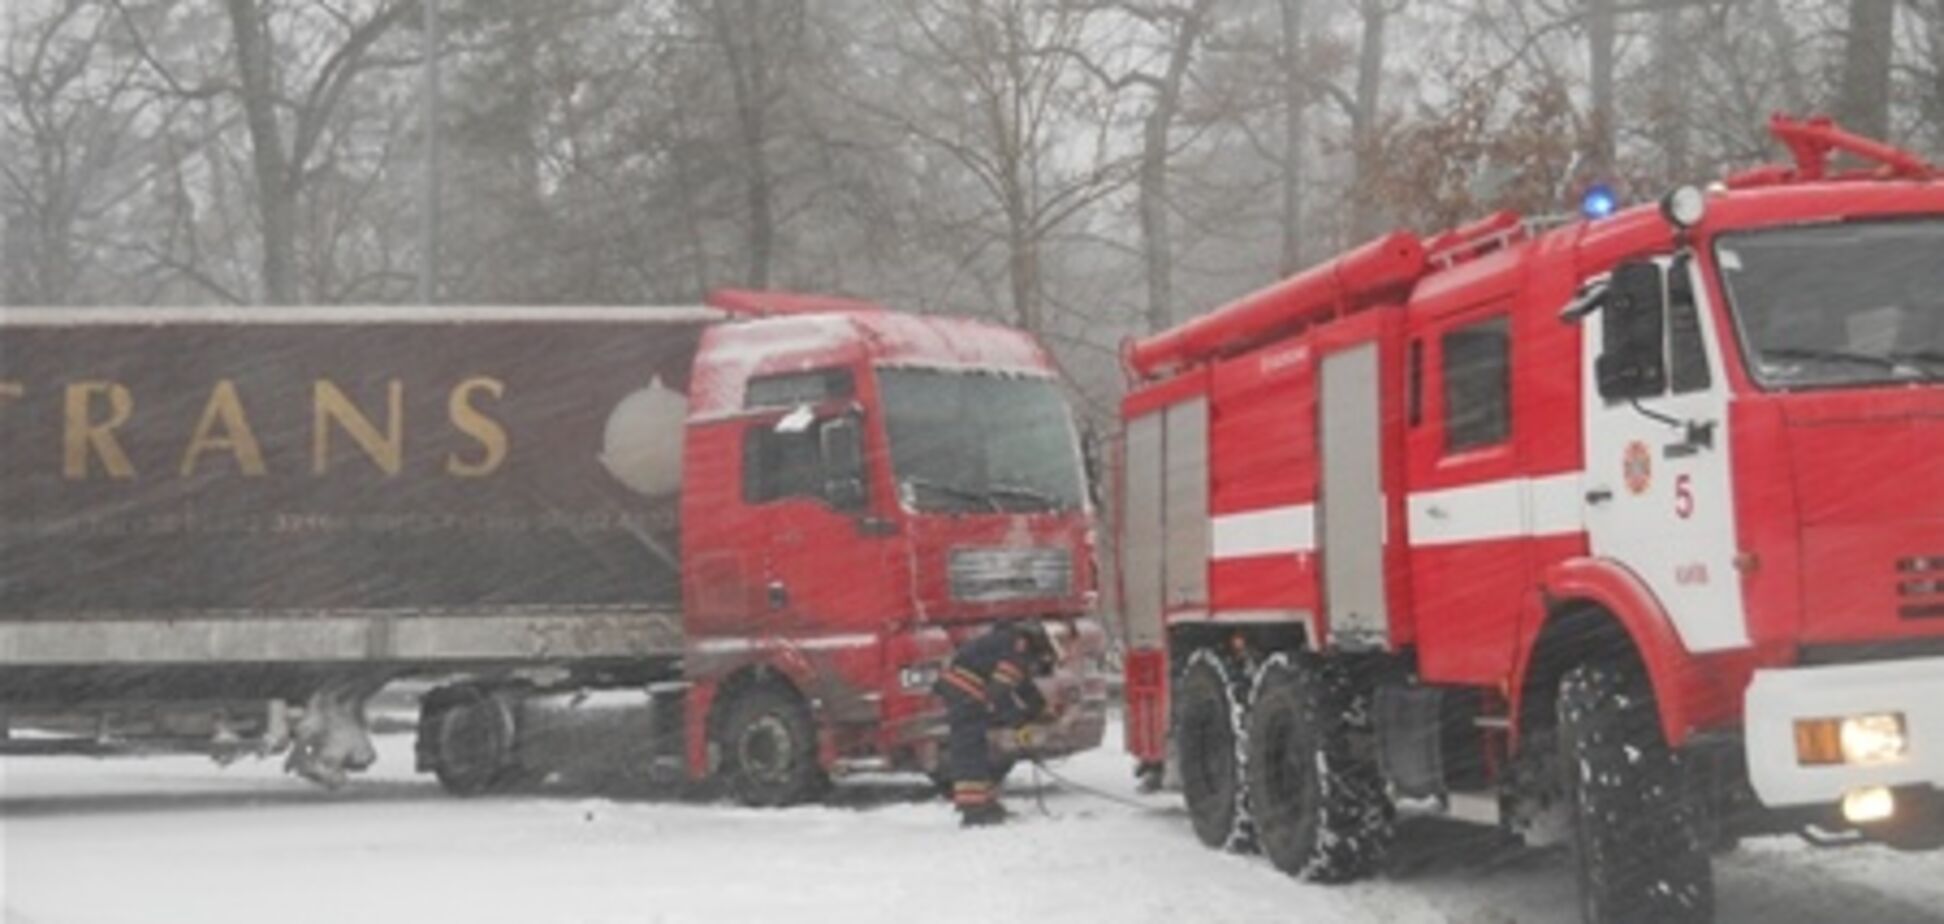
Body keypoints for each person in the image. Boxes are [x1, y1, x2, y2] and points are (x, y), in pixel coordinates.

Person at [934, 620, 1063, 827]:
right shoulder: (1017, 651)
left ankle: (983, 803)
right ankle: (974, 811)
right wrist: (1019, 722)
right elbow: (999, 694)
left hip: (965, 690)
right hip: (966, 692)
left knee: (977, 750)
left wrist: (1039, 709)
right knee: (970, 751)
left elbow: (1022, 685)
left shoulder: (1013, 644)